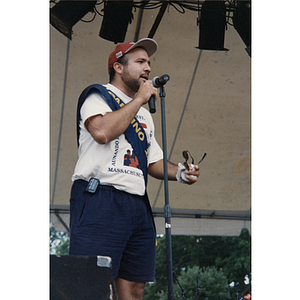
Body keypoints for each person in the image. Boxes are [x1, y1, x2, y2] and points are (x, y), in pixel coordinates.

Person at [69, 38, 200, 300]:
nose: (148, 68)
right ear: (118, 67)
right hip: (100, 196)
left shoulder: (144, 114)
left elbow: (153, 161)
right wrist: (139, 99)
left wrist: (181, 173)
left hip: (137, 203)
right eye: (140, 62)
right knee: (93, 284)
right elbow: (102, 131)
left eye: (149, 63)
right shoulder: (98, 95)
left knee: (135, 286)